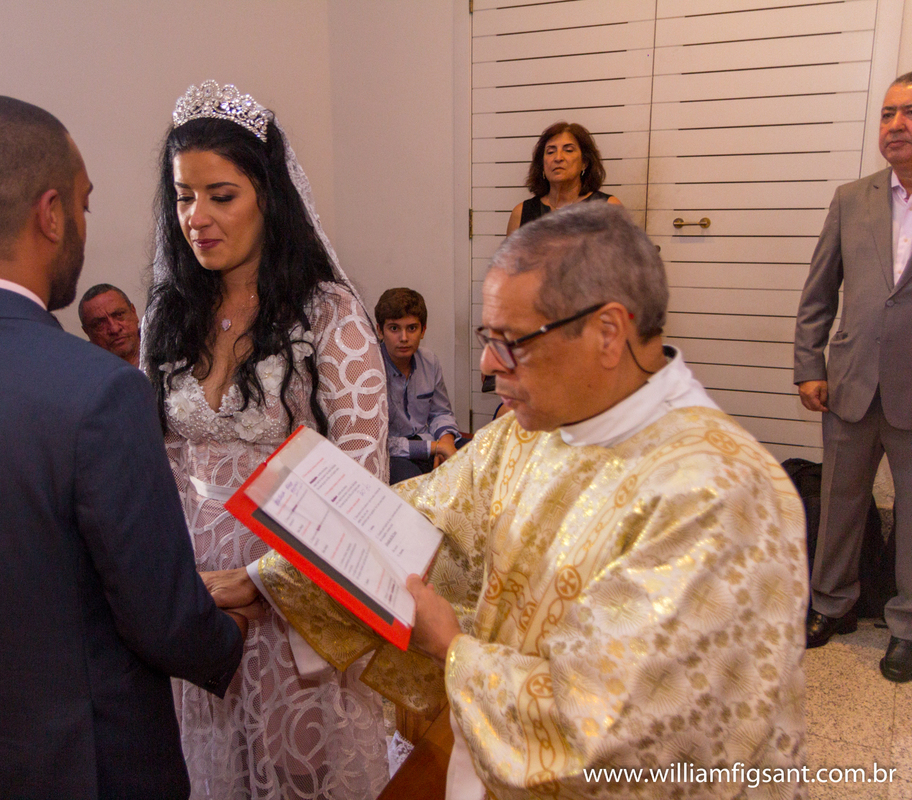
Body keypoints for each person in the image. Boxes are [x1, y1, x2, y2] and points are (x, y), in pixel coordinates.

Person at [249, 204, 808, 798]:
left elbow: (629, 732)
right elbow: (425, 516)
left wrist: (452, 649)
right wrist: (269, 574)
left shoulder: (720, 494)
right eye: (488, 338)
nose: (487, 365)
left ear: (608, 334)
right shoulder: (529, 430)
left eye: (510, 341)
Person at [0, 95, 246, 800]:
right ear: (51, 212)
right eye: (84, 205)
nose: (84, 226)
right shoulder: (95, 390)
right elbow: (161, 619)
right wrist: (234, 631)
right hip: (90, 759)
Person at [143, 80, 389, 799]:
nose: (197, 218)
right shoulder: (170, 316)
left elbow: (362, 480)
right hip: (199, 598)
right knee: (211, 765)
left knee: (298, 768)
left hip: (293, 592)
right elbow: (150, 460)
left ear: (268, 197)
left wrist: (261, 581)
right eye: (184, 197)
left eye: (221, 196)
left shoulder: (328, 315)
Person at [795, 72, 912, 682]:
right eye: (888, 114)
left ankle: (906, 626)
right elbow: (818, 291)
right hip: (850, 383)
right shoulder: (851, 198)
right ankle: (830, 603)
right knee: (840, 501)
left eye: (909, 113)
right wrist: (808, 365)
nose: (896, 125)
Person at [375, 287, 464, 483]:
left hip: (430, 442)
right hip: (395, 455)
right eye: (394, 328)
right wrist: (435, 448)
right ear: (380, 331)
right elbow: (377, 442)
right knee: (416, 483)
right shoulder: (370, 369)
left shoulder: (430, 361)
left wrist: (446, 442)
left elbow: (441, 412)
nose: (404, 338)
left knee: (479, 456)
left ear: (423, 330)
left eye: (412, 328)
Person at [505, 121, 622, 235]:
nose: (558, 158)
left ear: (584, 162)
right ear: (542, 164)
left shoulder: (609, 208)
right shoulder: (521, 213)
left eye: (568, 150)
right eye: (550, 152)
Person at [78, 283, 140, 366]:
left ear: (133, 312)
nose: (115, 329)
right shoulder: (82, 369)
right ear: (87, 332)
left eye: (119, 315)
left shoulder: (157, 343)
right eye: (99, 324)